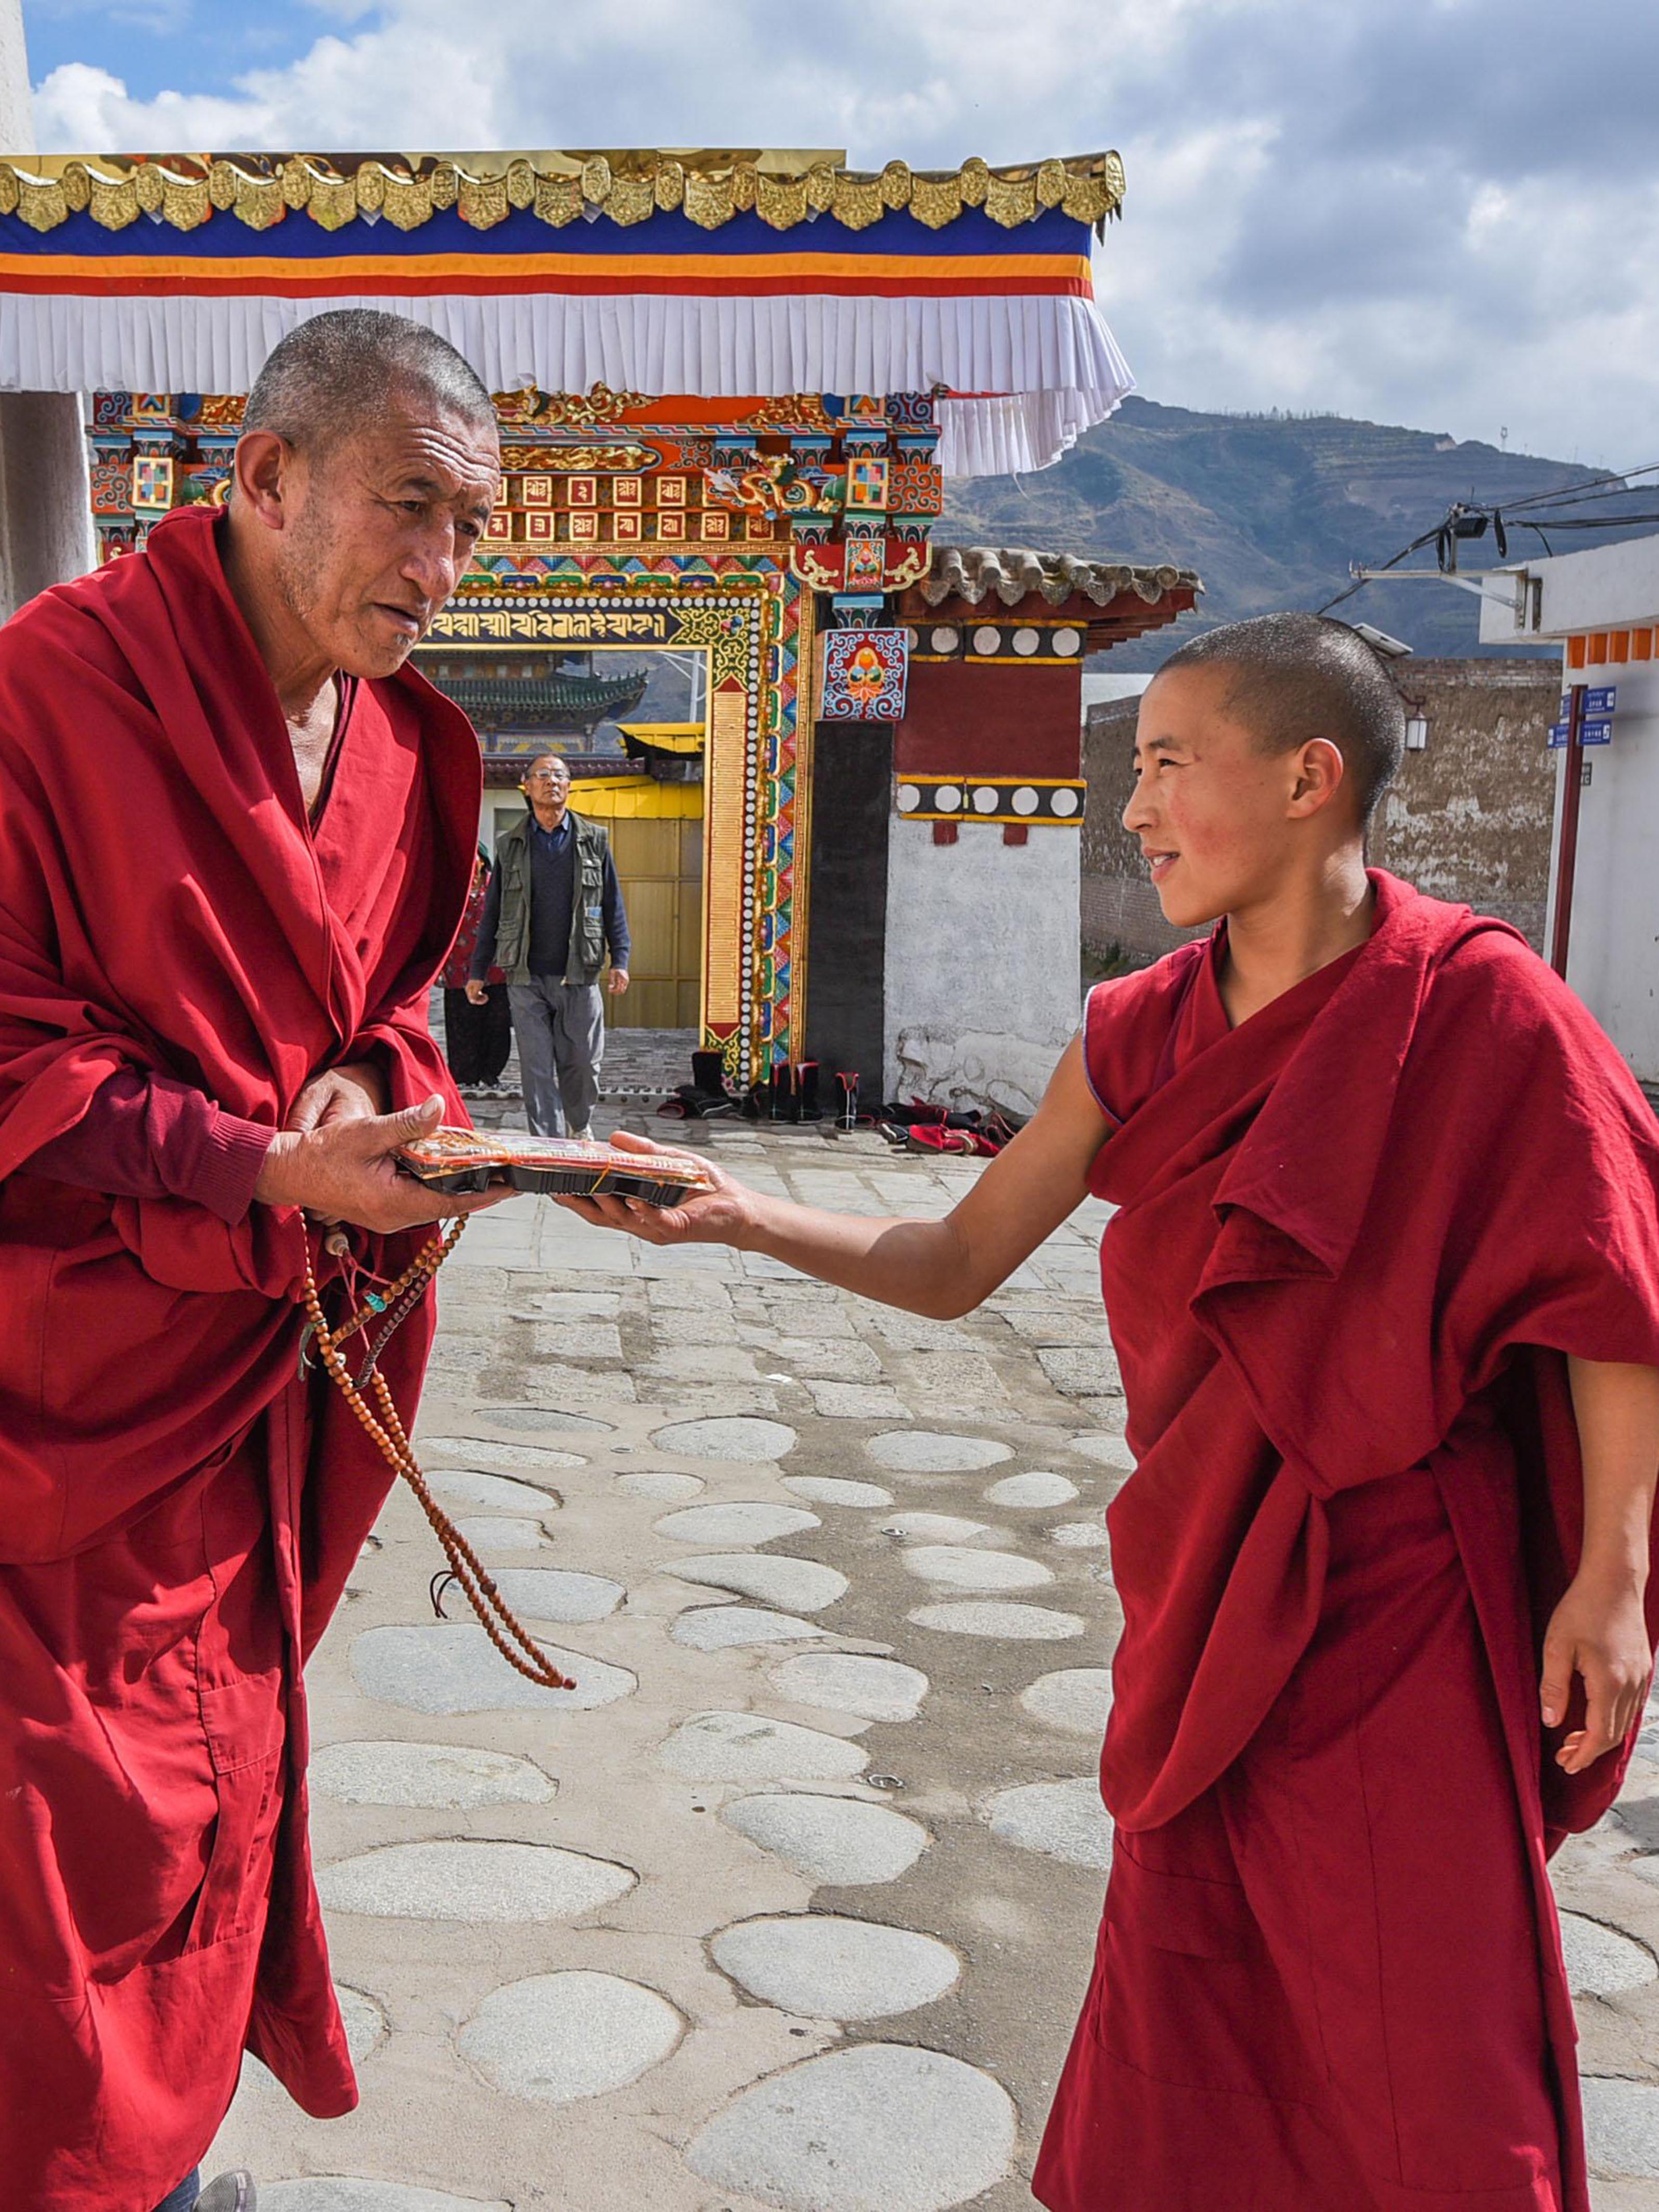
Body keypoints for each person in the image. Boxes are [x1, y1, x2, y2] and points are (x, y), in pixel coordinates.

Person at [560, 612, 1659, 2212]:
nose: (1132, 808)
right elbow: (953, 1260)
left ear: (1306, 777)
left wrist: (1612, 1578)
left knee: (1427, 2032)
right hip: (1206, 1588)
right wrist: (736, 1211)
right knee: (1201, 1999)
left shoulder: (1485, 1010)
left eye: (1166, 765)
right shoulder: (1141, 1029)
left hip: (1404, 1594)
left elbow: (1607, 1303)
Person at [0, 307, 509, 2212]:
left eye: (471, 528)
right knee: (52, 1830)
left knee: (217, 1783)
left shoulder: (398, 747)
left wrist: (380, 1097)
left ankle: (166, 2152)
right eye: (409, 508)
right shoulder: (48, 693)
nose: (441, 569)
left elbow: (387, 1009)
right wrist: (266, 1166)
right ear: (268, 475)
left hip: (243, 1394)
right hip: (57, 1389)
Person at [467, 751, 630, 1140]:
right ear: (527, 786)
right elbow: (493, 911)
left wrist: (620, 958)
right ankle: (548, 1143)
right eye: (542, 775)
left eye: (559, 775)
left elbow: (612, 902)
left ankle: (579, 1125)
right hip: (525, 975)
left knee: (583, 1063)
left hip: (580, 972)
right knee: (536, 1066)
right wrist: (478, 970)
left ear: (569, 786)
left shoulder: (594, 840)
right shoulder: (510, 845)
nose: (551, 781)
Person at [441, 843, 512, 1095]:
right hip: (458, 971)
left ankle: (490, 1073)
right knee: (462, 1023)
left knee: (497, 1024)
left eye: (475, 860)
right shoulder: (451, 889)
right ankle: (464, 1076)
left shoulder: (497, 888)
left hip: (495, 970)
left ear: (483, 862)